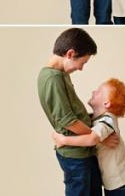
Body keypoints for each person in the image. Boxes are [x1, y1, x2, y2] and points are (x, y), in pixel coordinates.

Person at [38, 28, 106, 196]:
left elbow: (72, 112)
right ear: (70, 53)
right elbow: (68, 121)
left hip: (82, 151)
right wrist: (95, 136)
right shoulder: (53, 78)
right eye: (82, 63)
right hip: (76, 155)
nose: (81, 68)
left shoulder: (60, 74)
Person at [53, 78, 125, 196]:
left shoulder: (108, 120)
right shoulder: (93, 119)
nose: (93, 92)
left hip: (120, 183)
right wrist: (103, 141)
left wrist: (64, 140)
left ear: (107, 103)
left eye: (99, 92)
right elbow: (87, 131)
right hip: (112, 182)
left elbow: (92, 138)